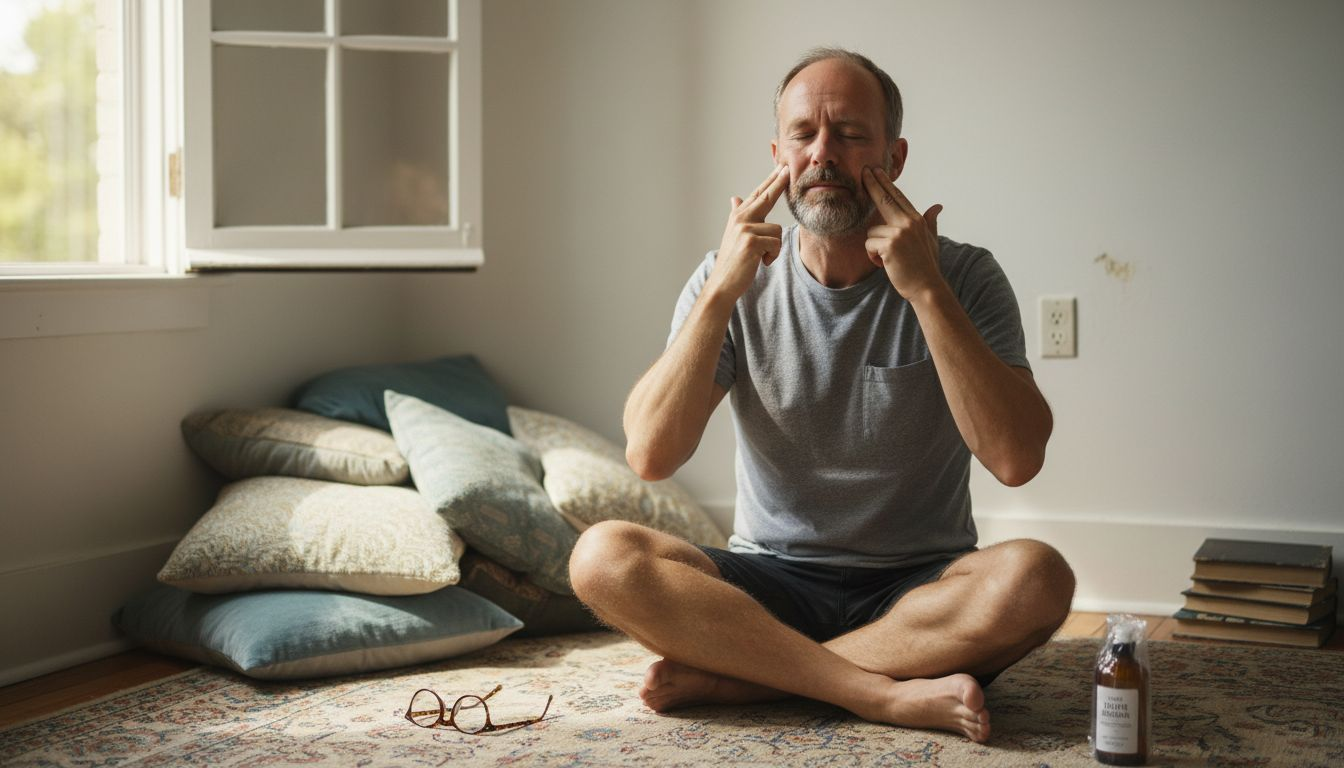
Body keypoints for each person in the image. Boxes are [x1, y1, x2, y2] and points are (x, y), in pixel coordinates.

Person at [568, 47, 1074, 744]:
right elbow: (652, 453)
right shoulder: (728, 279)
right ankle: (876, 692)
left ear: (894, 158)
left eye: (850, 134)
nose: (823, 154)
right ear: (778, 154)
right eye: (804, 134)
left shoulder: (964, 276)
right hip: (768, 588)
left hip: (918, 593)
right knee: (601, 557)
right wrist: (720, 292)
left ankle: (749, 679)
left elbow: (1017, 460)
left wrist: (925, 291)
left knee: (1038, 578)